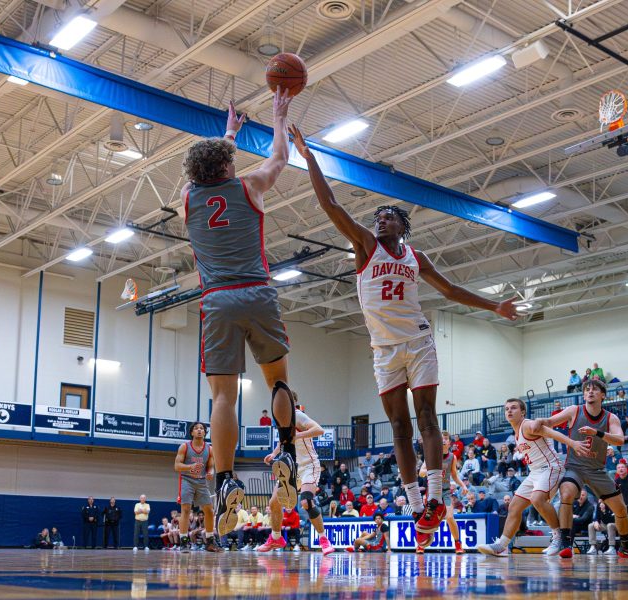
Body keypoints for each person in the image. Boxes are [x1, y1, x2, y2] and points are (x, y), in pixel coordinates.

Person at [292, 124, 518, 548]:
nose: (380, 219)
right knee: (398, 426)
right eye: (377, 216)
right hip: (383, 349)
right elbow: (331, 205)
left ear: (402, 226)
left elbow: (450, 290)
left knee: (427, 418)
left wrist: (494, 306)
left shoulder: (416, 256)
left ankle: (434, 497)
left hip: (417, 341)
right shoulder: (365, 245)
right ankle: (416, 507)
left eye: (388, 216)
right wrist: (310, 159)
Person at [181, 92, 300, 536]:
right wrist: (279, 116)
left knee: (223, 399)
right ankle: (286, 452)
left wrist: (227, 135)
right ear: (228, 167)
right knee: (279, 382)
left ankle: (227, 479)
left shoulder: (187, 199)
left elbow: (211, 166)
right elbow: (280, 157)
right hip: (257, 293)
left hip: (217, 301)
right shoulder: (249, 186)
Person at [538, 379, 628, 559]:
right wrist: (539, 421)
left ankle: (625, 547)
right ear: (584, 394)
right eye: (587, 389)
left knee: (620, 509)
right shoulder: (574, 410)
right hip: (574, 467)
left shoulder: (611, 418)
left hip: (597, 470)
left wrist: (597, 433)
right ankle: (566, 543)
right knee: (566, 494)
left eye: (594, 389)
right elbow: (549, 421)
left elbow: (620, 440)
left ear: (603, 395)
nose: (590, 392)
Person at [476, 398, 578, 557]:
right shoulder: (516, 433)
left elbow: (553, 432)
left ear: (522, 412)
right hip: (535, 472)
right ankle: (502, 546)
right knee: (514, 507)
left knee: (537, 499)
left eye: (513, 408)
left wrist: (573, 444)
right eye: (507, 409)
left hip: (550, 467)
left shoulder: (528, 425)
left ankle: (558, 537)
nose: (509, 411)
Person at [257, 407, 334, 555]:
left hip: (308, 465)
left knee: (306, 502)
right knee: (274, 503)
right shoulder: (281, 419)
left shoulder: (297, 415)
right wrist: (273, 454)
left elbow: (319, 430)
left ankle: (324, 539)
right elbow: (283, 441)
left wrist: (296, 436)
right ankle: (276, 538)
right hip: (291, 467)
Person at [174, 422, 222, 552]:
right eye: (196, 428)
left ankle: (210, 541)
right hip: (187, 480)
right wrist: (190, 466)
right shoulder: (184, 447)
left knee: (209, 510)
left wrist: (210, 472)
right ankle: (184, 541)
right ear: (192, 432)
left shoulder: (209, 449)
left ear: (205, 432)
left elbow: (211, 466)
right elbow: (177, 466)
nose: (199, 430)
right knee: (185, 510)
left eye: (201, 428)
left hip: (201, 481)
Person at [418, 431, 469, 554]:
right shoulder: (431, 455)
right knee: (428, 518)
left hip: (445, 492)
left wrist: (463, 486)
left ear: (449, 442)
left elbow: (454, 476)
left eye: (445, 438)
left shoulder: (452, 457)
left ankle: (458, 544)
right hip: (432, 492)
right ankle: (421, 545)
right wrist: (431, 471)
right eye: (441, 438)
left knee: (450, 517)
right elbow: (421, 473)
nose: (443, 440)